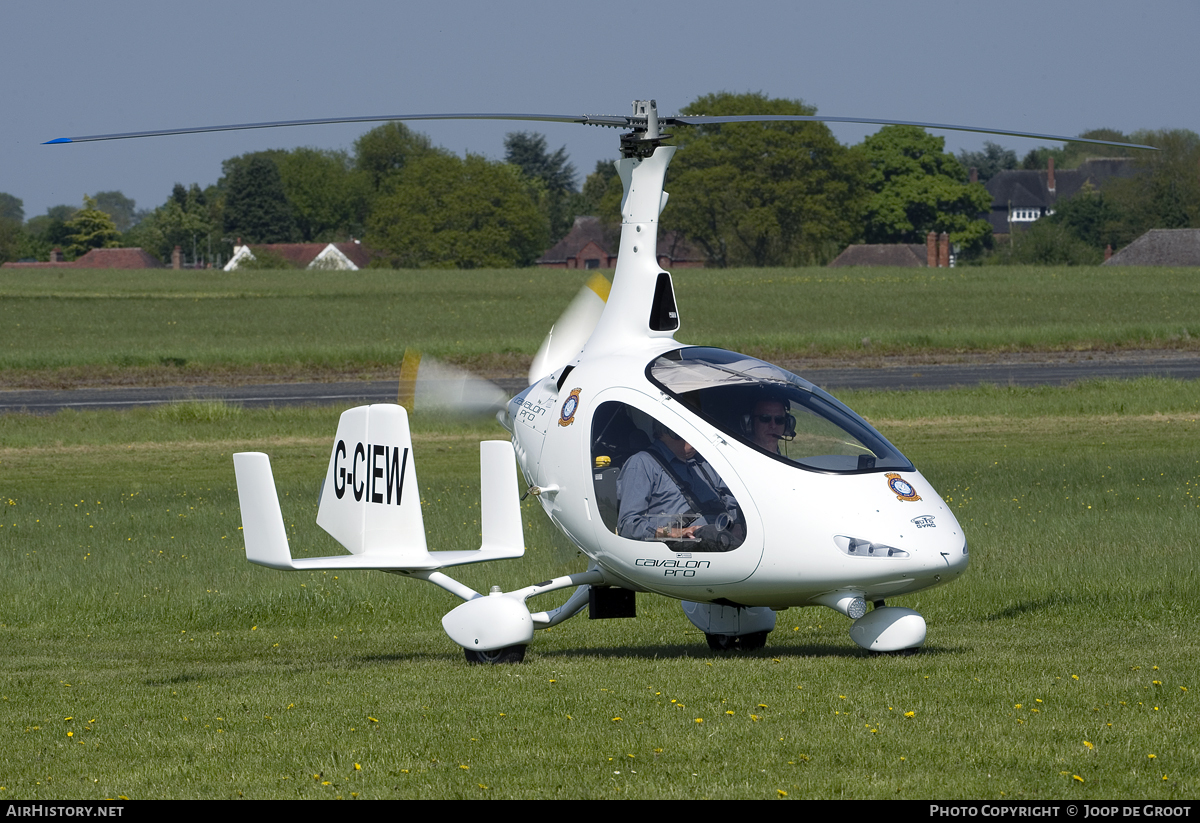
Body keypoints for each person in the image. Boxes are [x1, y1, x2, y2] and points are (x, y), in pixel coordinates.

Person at [616, 424, 741, 549]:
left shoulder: (705, 462)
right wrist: (675, 533)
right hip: (683, 549)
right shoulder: (642, 463)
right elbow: (628, 525)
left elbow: (731, 503)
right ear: (667, 431)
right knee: (710, 533)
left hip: (727, 539)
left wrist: (738, 524)